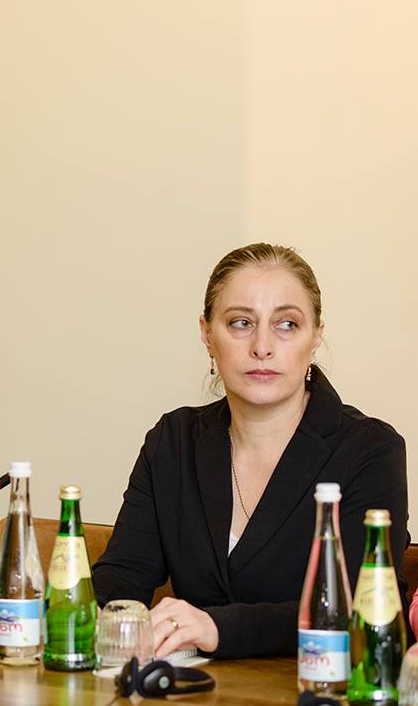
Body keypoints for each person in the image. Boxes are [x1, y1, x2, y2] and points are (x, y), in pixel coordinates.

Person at [92, 243, 407, 659]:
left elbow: (354, 610)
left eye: (287, 324)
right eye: (241, 323)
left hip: (317, 685)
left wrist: (216, 627)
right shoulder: (173, 441)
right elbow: (119, 582)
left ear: (315, 336)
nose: (262, 346)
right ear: (207, 334)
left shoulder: (370, 450)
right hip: (193, 686)